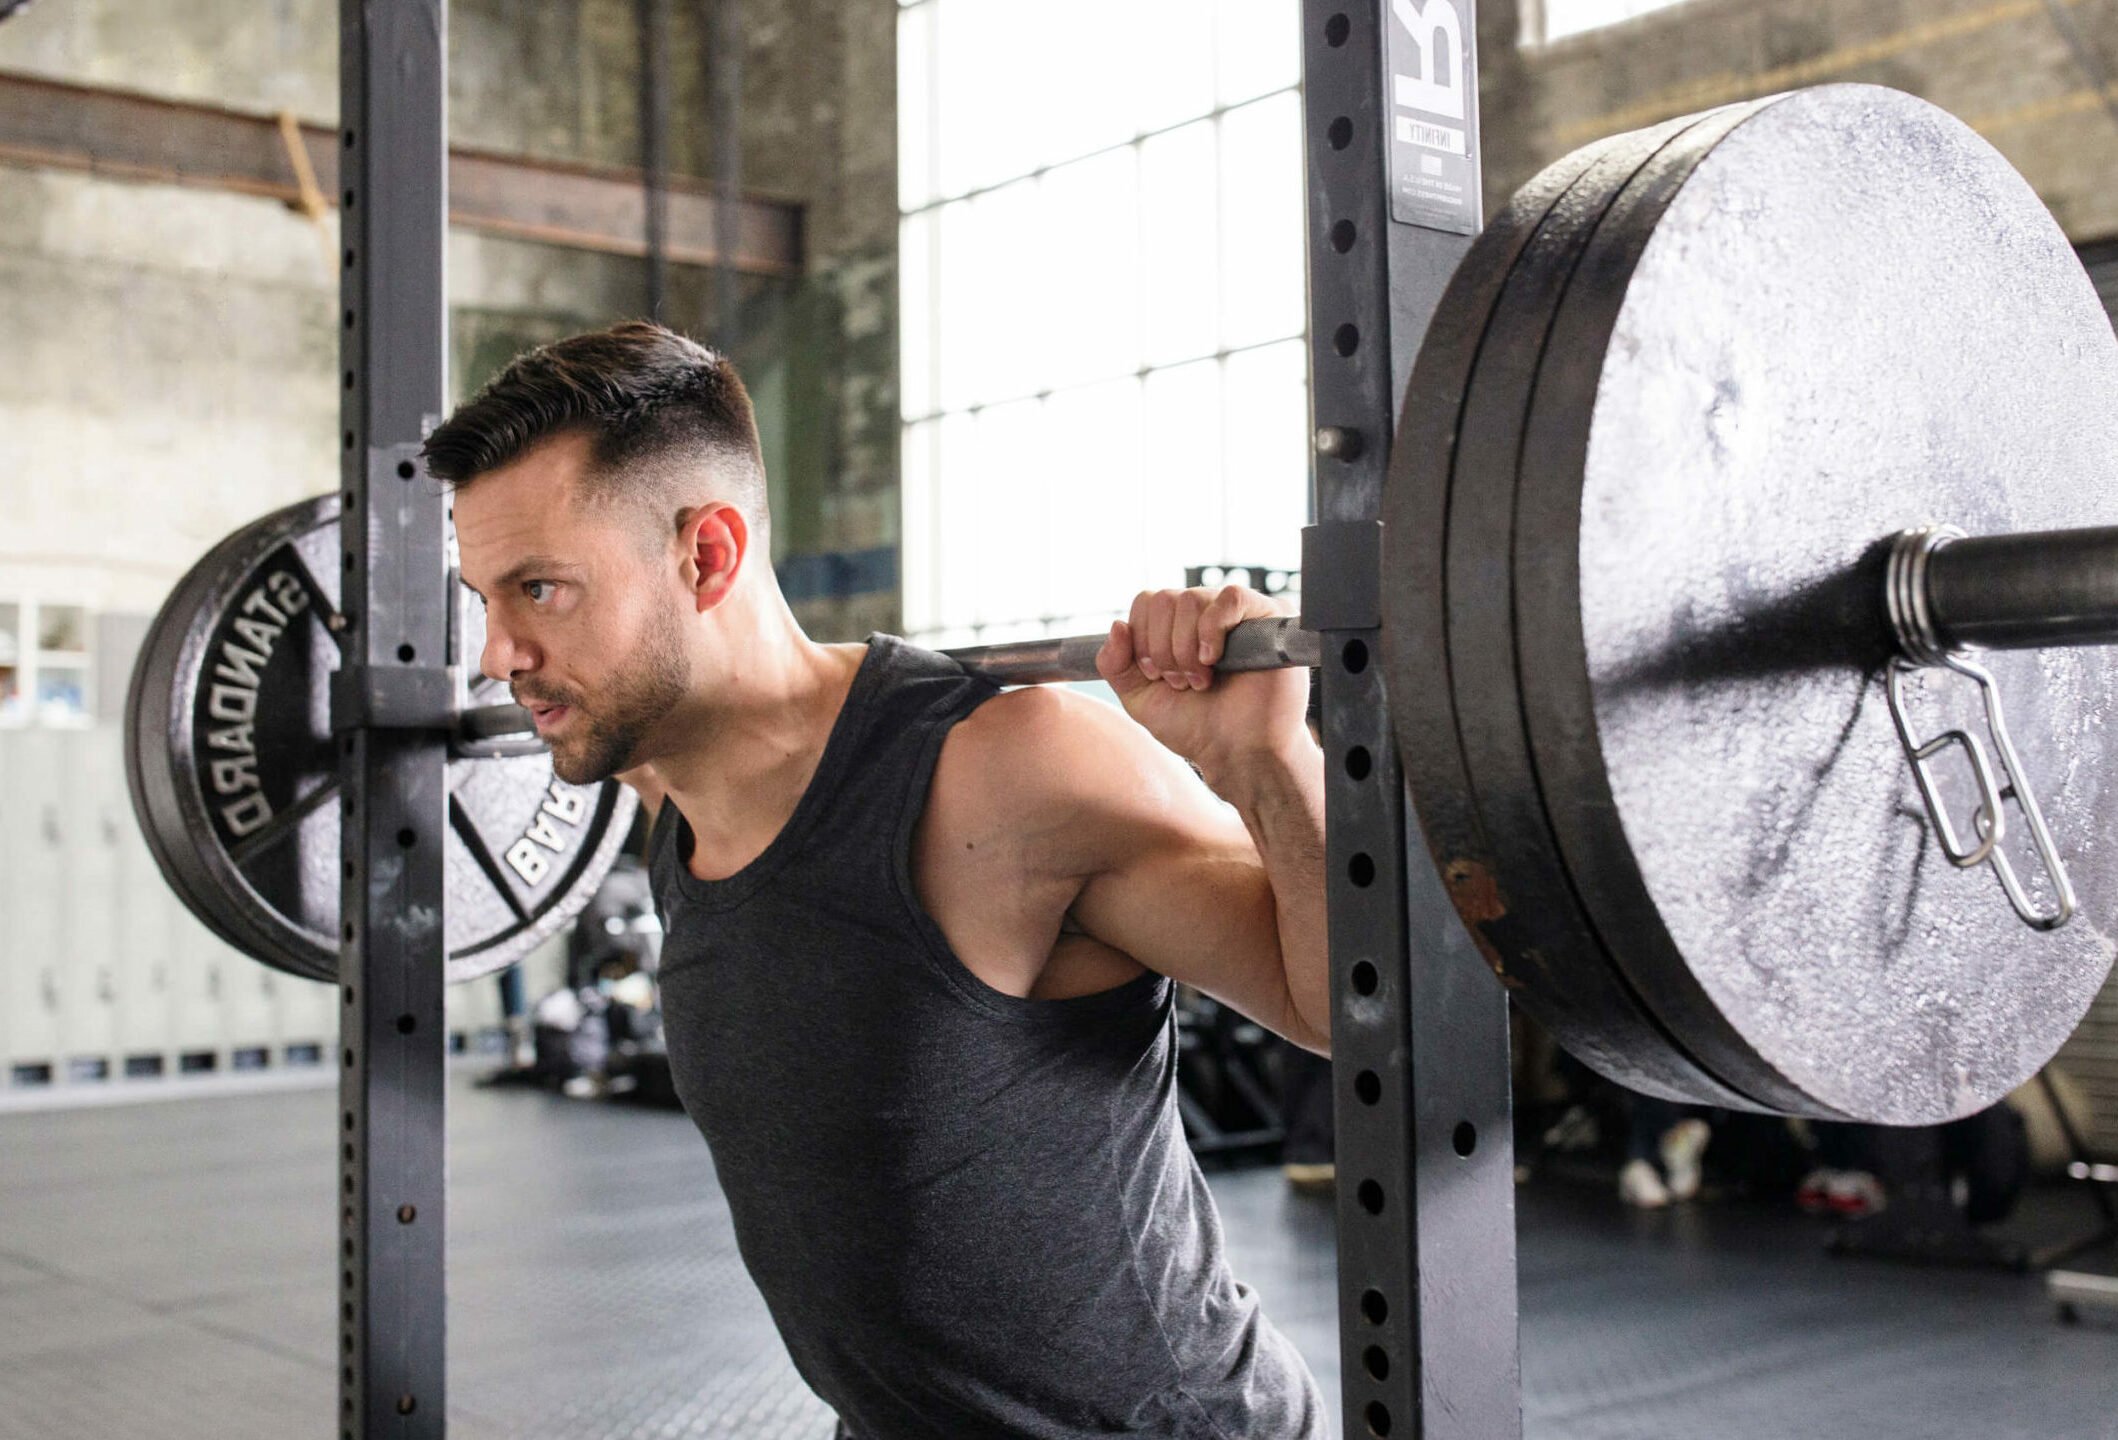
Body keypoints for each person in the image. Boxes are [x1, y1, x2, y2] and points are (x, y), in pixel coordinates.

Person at [426, 322, 1330, 1439]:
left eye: (541, 591)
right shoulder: (664, 796)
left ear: (706, 556)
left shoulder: (1010, 772)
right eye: (485, 601)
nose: (492, 656)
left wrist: (1267, 761)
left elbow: (1347, 1011)